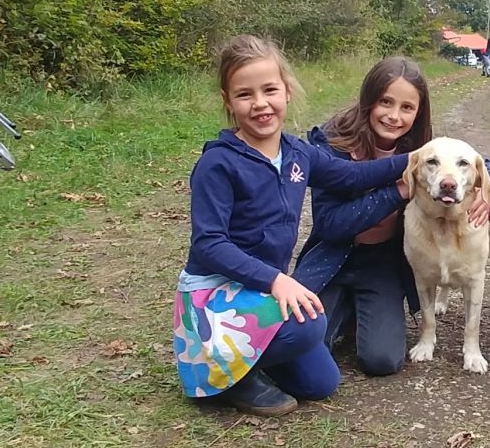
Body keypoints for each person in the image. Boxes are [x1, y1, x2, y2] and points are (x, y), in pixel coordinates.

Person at [174, 35, 409, 416]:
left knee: (322, 383)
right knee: (310, 324)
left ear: (286, 90)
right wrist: (277, 280)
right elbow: (209, 245)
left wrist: (415, 160)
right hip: (215, 296)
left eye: (270, 90)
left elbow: (351, 177)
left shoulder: (297, 152)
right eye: (245, 94)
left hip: (257, 295)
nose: (261, 104)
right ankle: (226, 375)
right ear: (228, 101)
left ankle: (247, 361)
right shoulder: (218, 164)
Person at [291, 57, 490, 376]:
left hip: (382, 262)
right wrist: (400, 189)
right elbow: (330, 224)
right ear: (368, 101)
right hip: (332, 259)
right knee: (301, 346)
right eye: (385, 102)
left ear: (418, 112)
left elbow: (477, 163)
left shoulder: (423, 147)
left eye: (407, 107)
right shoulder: (332, 143)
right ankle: (346, 310)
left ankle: (361, 311)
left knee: (383, 360)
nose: (394, 116)